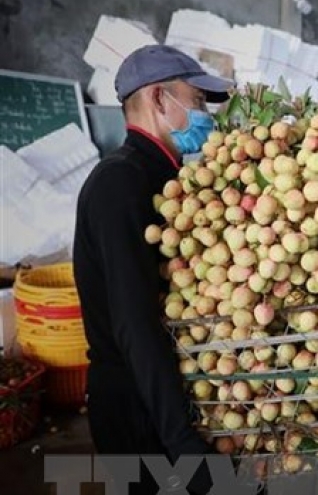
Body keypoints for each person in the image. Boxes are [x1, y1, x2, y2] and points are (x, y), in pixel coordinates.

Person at [73, 45, 233, 495]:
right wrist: (180, 440)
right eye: (198, 101)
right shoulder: (119, 184)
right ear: (161, 100)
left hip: (160, 395)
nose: (206, 115)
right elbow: (134, 322)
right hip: (136, 407)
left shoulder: (168, 179)